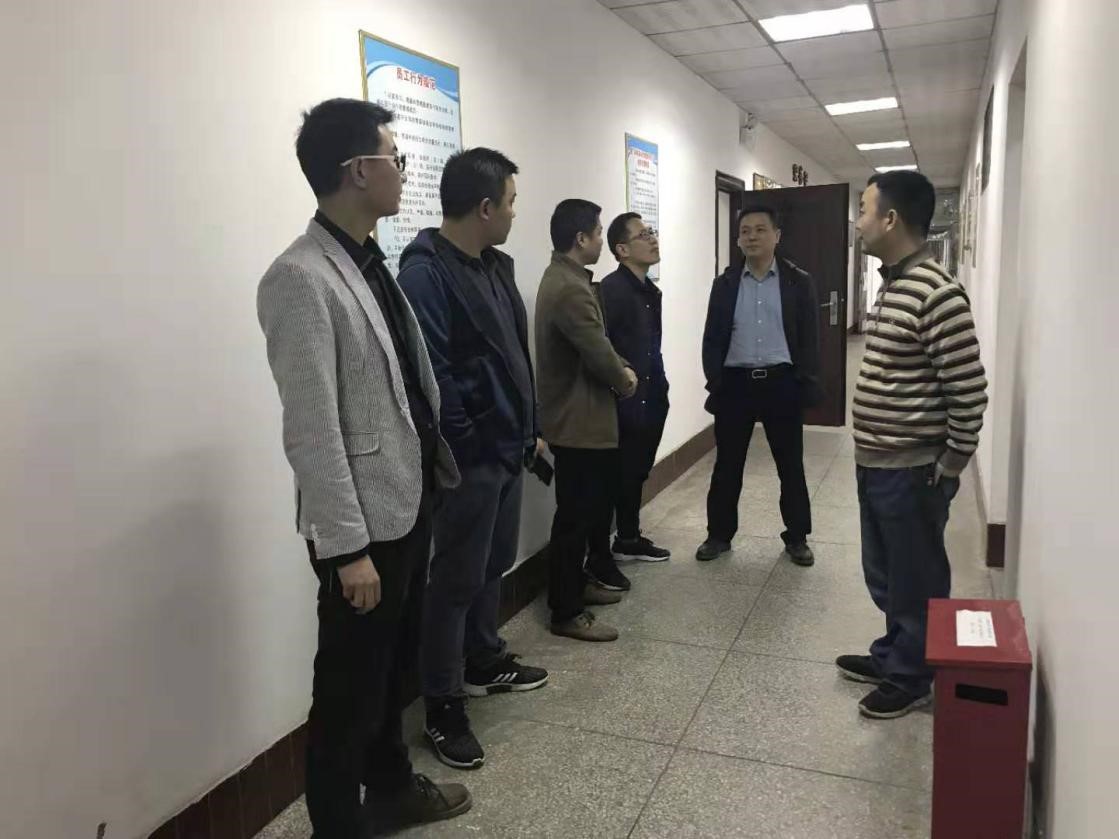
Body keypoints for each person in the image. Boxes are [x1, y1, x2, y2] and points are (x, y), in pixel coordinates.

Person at [256, 98, 470, 838]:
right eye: (394, 157)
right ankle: (337, 825)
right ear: (357, 170)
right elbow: (312, 430)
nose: (403, 171)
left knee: (391, 673)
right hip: (362, 531)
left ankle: (391, 788)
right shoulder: (299, 276)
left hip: (406, 503)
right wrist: (346, 549)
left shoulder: (369, 259)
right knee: (347, 693)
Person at [397, 148, 549, 771]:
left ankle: (483, 659)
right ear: (485, 208)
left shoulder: (492, 265)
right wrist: (468, 445)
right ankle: (442, 704)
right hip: (471, 459)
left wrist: (530, 431)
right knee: (455, 580)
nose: (514, 214)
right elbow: (433, 373)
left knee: (493, 562)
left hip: (508, 448)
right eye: (510, 203)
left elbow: (512, 355)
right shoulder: (426, 274)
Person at [838, 171, 988, 719]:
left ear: (891, 219)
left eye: (863, 210)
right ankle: (894, 653)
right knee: (886, 571)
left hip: (913, 468)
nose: (857, 222)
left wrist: (950, 464)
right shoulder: (895, 284)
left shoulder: (937, 292)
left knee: (916, 575)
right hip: (878, 462)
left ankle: (912, 676)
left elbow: (968, 390)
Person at [535, 199, 638, 642]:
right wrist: (626, 379)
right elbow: (597, 349)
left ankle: (575, 585)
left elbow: (597, 342)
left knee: (582, 512)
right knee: (575, 519)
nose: (601, 240)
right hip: (578, 423)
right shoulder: (570, 288)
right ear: (580, 239)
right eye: (597, 233)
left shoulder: (567, 278)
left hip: (579, 419)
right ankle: (566, 610)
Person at [696, 205, 821, 567]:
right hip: (735, 385)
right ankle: (718, 535)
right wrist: (715, 379)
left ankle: (797, 537)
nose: (751, 236)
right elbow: (712, 337)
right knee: (727, 465)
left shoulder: (798, 282)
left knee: (790, 465)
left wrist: (804, 381)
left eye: (760, 229)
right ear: (738, 239)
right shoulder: (725, 284)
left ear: (777, 236)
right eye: (745, 231)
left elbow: (810, 339)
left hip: (782, 383)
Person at [595, 212, 671, 564]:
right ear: (622, 249)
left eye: (652, 232)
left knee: (637, 471)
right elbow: (602, 346)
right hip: (624, 401)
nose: (653, 239)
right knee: (620, 474)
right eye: (643, 235)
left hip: (652, 396)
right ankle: (616, 543)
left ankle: (628, 536)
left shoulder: (650, 291)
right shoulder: (611, 291)